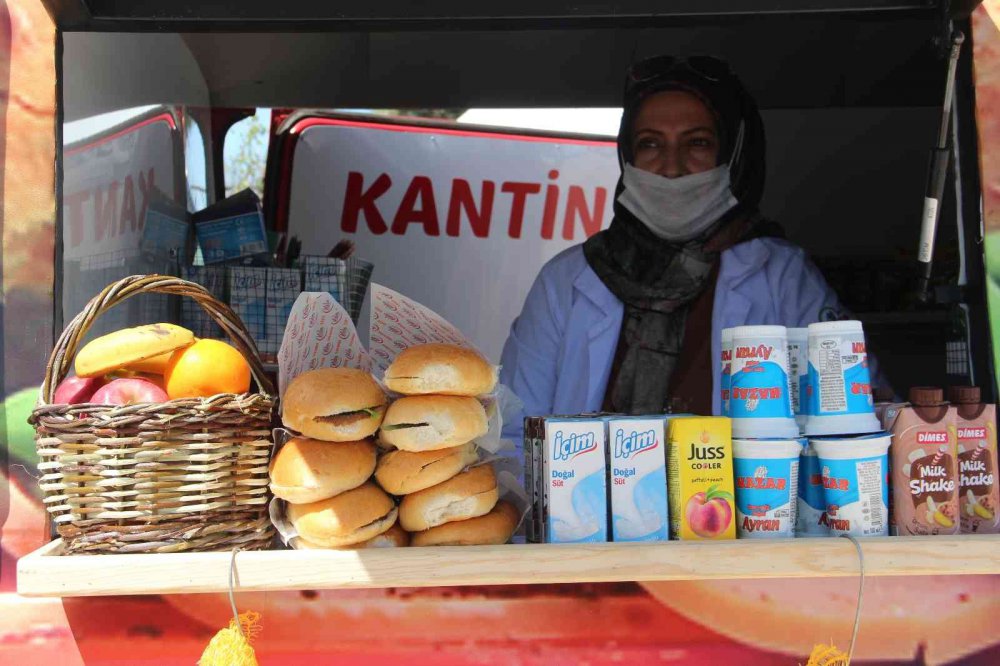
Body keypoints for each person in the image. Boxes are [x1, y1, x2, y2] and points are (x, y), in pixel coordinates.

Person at [499, 55, 878, 438]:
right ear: (627, 158)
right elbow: (513, 433)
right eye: (650, 144)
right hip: (583, 499)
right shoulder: (567, 281)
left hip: (745, 499)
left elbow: (857, 414)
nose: (672, 167)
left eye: (697, 142)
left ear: (731, 155)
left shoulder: (780, 275)